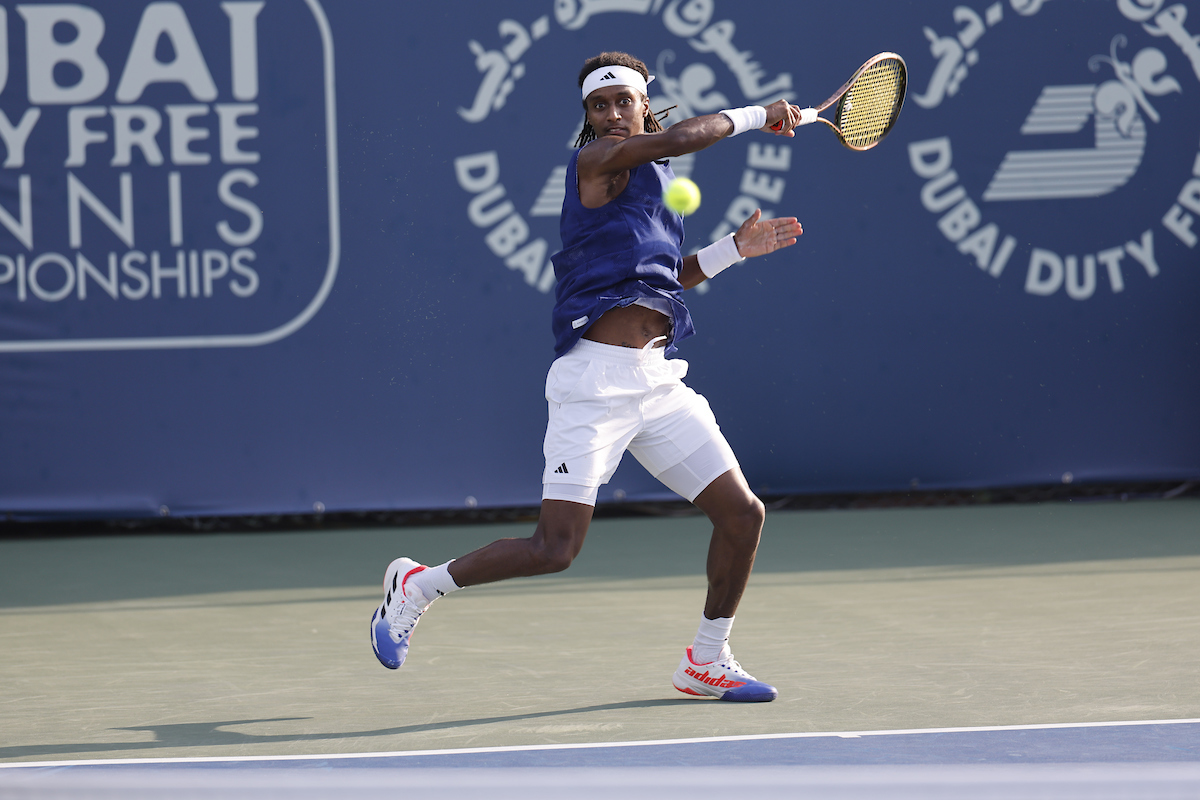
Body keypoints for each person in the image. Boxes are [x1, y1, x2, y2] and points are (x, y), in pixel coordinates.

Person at [372, 51, 804, 702]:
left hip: (656, 382)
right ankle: (416, 586)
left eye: (622, 102)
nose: (610, 116)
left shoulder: (652, 180)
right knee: (555, 549)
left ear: (644, 102)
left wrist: (732, 251)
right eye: (598, 107)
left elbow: (663, 279)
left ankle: (706, 661)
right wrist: (760, 114)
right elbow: (687, 136)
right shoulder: (592, 164)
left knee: (742, 515)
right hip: (593, 384)